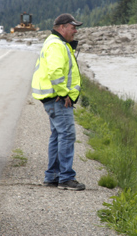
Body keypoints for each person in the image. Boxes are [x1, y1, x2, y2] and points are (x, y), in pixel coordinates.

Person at [31, 13, 85, 191]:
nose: (75, 31)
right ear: (62, 27)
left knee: (57, 136)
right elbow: (55, 72)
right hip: (58, 99)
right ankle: (66, 178)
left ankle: (52, 176)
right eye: (73, 27)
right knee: (67, 135)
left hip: (53, 98)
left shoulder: (57, 43)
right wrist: (64, 94)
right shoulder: (56, 45)